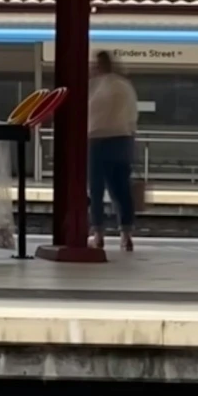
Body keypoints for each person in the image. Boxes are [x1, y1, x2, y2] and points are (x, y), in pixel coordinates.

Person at [87, 50, 138, 252]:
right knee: (122, 190)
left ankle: (98, 234)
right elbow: (133, 115)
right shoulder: (125, 85)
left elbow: (89, 112)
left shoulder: (96, 85)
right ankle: (126, 235)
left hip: (97, 141)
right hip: (123, 140)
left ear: (98, 65)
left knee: (96, 190)